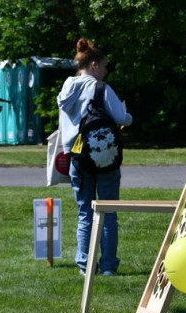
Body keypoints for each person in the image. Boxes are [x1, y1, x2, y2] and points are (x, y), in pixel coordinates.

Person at [57, 37, 133, 276]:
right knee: (108, 211)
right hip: (104, 157)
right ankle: (108, 266)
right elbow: (122, 118)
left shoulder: (66, 89)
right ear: (93, 65)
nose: (106, 70)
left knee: (84, 213)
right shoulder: (101, 88)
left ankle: (85, 265)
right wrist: (127, 114)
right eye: (104, 65)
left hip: (77, 159)